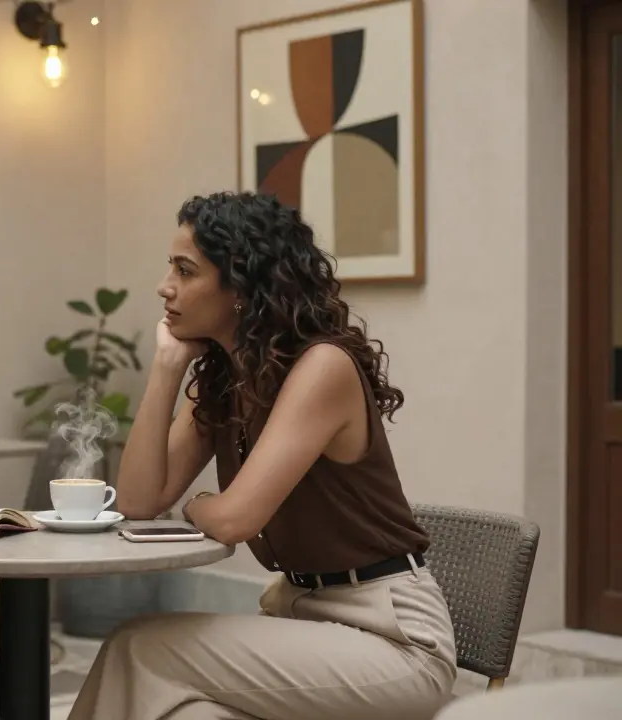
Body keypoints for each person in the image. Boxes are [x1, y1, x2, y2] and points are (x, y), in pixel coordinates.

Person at [68, 191, 456, 720]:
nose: (165, 286)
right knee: (188, 715)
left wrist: (199, 502)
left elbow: (232, 519)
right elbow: (137, 500)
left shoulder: (323, 367)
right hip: (306, 622)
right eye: (170, 269)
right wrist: (166, 366)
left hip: (393, 640)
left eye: (185, 271)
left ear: (241, 290)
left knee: (138, 645)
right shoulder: (227, 379)